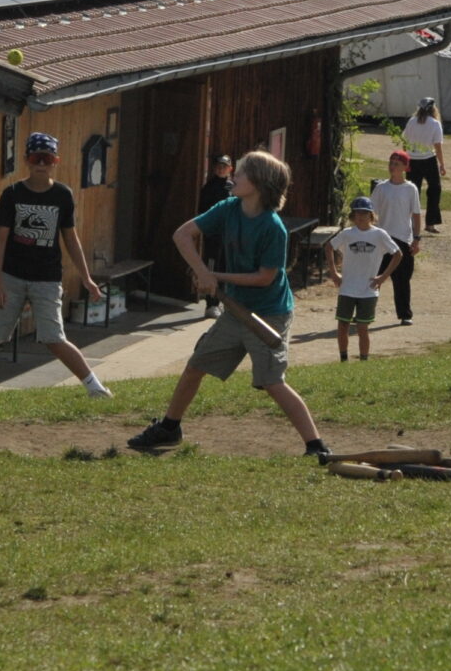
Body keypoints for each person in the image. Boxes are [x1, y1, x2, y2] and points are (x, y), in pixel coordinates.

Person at [129, 150, 326, 457]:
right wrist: (202, 271)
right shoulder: (229, 208)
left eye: (243, 172)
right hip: (236, 310)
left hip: (269, 314)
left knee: (272, 382)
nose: (234, 176)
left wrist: (215, 276)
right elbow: (183, 235)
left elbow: (264, 277)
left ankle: (316, 446)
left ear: (259, 183)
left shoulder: (273, 228)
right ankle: (169, 428)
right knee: (195, 367)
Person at [0, 132, 111, 401]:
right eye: (35, 158)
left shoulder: (63, 195)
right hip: (11, 275)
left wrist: (86, 277)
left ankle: (95, 388)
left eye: (47, 158)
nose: (41, 164)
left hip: (47, 278)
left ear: (56, 161)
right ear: (26, 161)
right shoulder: (12, 193)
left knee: (53, 337)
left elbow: (70, 238)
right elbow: (0, 240)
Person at [325, 196, 401, 362]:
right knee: (343, 324)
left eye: (365, 213)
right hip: (347, 287)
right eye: (357, 212)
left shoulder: (379, 234)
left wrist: (383, 277)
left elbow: (397, 254)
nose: (361, 216)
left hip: (368, 289)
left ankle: (364, 360)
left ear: (371, 215)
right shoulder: (347, 234)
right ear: (353, 215)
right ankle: (343, 358)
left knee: (362, 327)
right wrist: (334, 272)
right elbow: (329, 246)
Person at [368, 148, 424, 326]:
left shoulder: (411, 189)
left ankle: (405, 314)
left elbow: (416, 214)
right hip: (382, 237)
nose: (392, 166)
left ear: (405, 168)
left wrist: (416, 238)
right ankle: (365, 311)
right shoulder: (381, 188)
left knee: (402, 279)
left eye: (396, 164)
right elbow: (371, 212)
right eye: (391, 163)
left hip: (403, 239)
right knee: (374, 276)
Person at [196, 153, 234, 315]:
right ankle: (210, 304)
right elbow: (203, 212)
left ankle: (223, 302)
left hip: (229, 235)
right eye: (218, 166)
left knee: (227, 268)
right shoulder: (209, 188)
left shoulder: (234, 187)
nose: (221, 169)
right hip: (213, 235)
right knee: (212, 266)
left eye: (224, 166)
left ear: (230, 169)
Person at [402, 96, 447, 230]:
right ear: (433, 109)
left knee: (412, 191)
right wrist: (442, 164)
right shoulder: (434, 123)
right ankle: (430, 223)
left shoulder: (411, 121)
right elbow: (437, 145)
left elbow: (404, 140)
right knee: (434, 190)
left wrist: (405, 157)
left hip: (412, 160)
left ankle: (410, 222)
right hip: (428, 159)